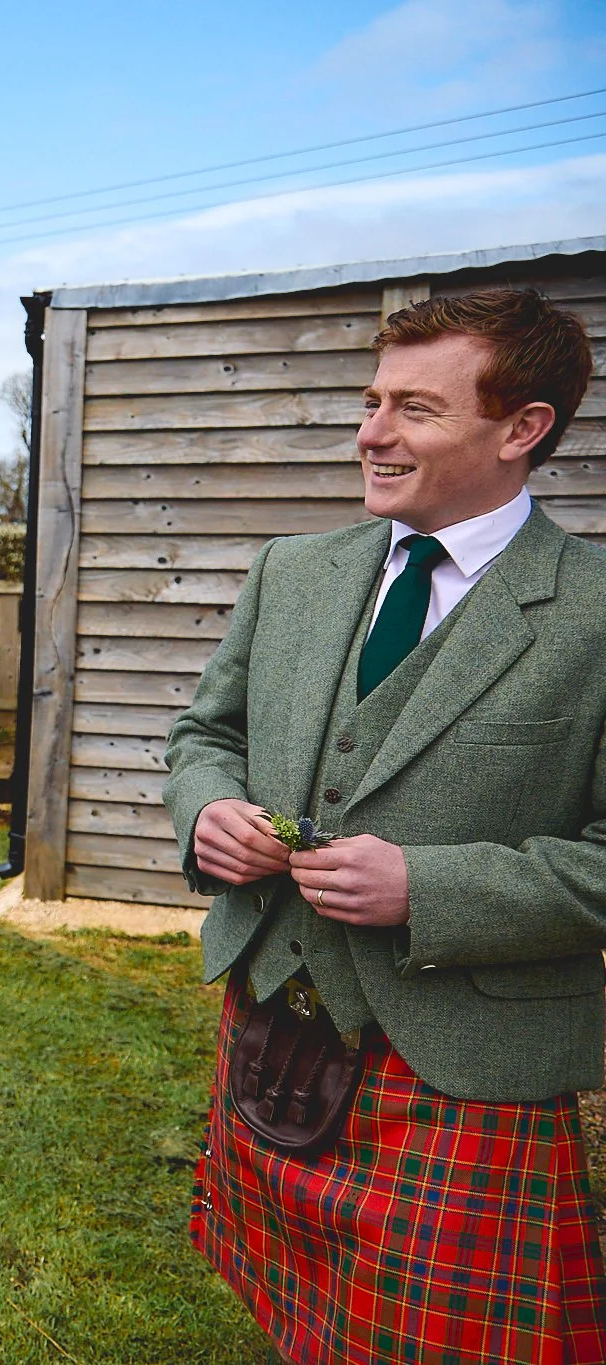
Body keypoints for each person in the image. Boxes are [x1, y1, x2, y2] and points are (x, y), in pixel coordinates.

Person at [164, 288, 606, 1365]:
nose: (368, 433)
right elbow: (200, 734)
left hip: (462, 1067)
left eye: (413, 407)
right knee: (302, 1323)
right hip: (274, 1022)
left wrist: (430, 888)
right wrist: (208, 813)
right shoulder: (293, 571)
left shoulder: (593, 608)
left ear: (520, 430)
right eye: (369, 401)